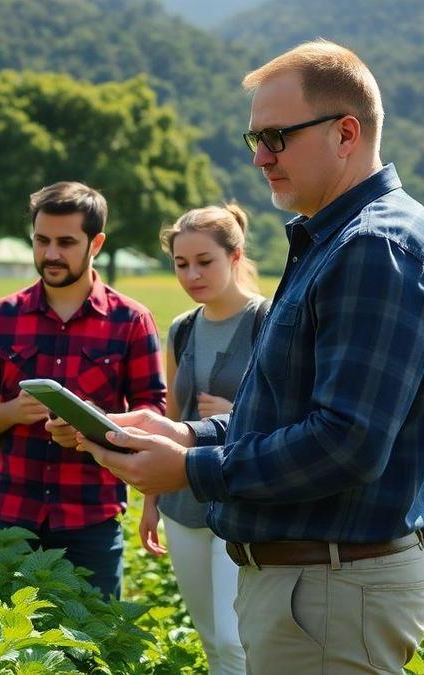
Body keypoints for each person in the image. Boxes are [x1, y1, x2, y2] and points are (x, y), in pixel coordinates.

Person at [75, 40, 424, 673]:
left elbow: (347, 441)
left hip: (331, 590)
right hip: (316, 588)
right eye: (254, 138)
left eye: (277, 137)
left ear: (346, 133)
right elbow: (287, 408)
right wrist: (185, 432)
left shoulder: (376, 248)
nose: (260, 156)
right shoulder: (336, 239)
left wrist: (193, 469)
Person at [0, 180, 167, 599]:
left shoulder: (131, 321)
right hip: (11, 521)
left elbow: (153, 416)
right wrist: (13, 411)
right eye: (42, 240)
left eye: (66, 242)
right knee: (5, 651)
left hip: (90, 520)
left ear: (97, 243)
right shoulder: (0, 318)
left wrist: (94, 428)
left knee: (93, 650)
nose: (51, 254)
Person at [141, 204, 264, 675]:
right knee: (211, 638)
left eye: (204, 261)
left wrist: (237, 416)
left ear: (234, 256)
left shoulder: (268, 321)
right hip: (182, 498)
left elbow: (290, 411)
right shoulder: (182, 328)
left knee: (237, 641)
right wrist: (152, 499)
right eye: (181, 263)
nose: (192, 274)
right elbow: (172, 415)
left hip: (241, 497)